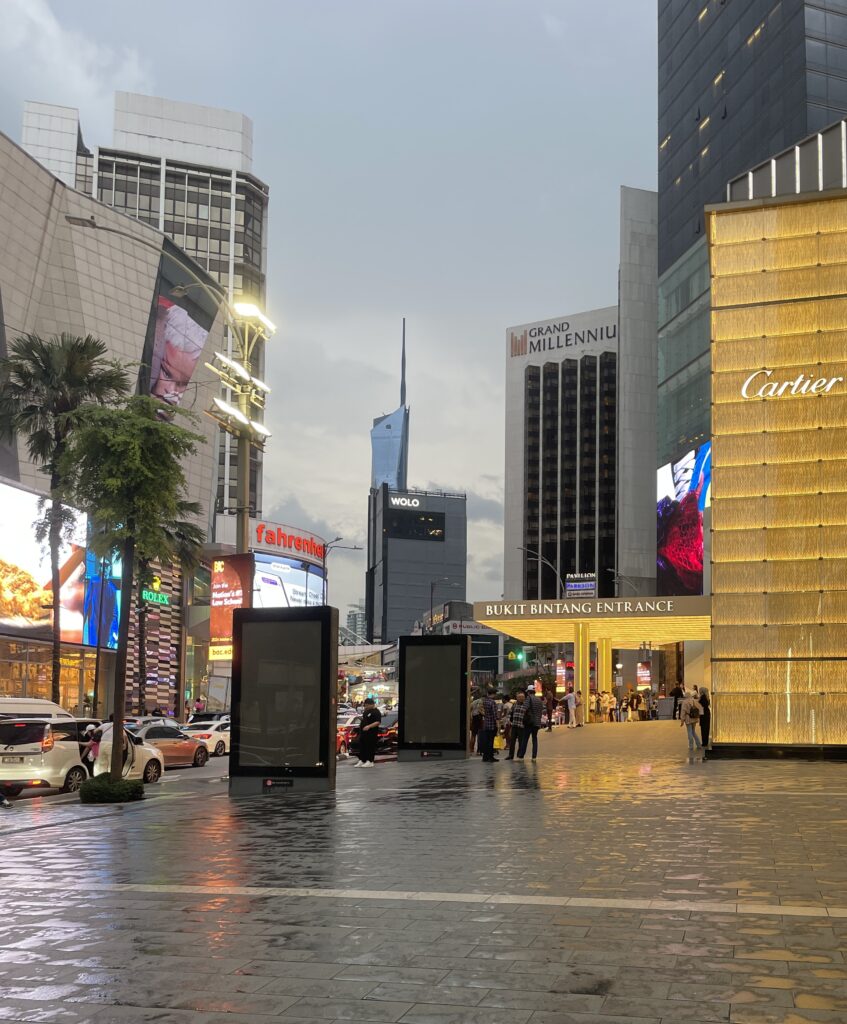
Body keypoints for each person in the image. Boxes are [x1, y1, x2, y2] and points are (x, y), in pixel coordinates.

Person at [355, 697, 381, 767]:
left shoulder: (376, 712)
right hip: (363, 733)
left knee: (370, 746)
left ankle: (370, 761)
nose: (365, 706)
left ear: (371, 704)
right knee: (363, 746)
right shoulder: (366, 711)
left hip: (371, 733)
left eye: (366, 705)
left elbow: (378, 722)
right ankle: (362, 760)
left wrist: (369, 726)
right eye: (365, 705)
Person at [518, 687, 544, 760]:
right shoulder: (539, 700)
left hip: (529, 722)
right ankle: (534, 756)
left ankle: (521, 755)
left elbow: (524, 708)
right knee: (534, 739)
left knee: (525, 739)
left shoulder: (529, 698)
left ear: (529, 692)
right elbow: (541, 711)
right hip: (537, 722)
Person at [680, 688, 704, 754]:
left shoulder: (685, 702)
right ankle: (698, 744)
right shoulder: (694, 701)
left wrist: (682, 720)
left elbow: (683, 712)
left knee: (689, 732)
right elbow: (699, 708)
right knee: (693, 731)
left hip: (688, 718)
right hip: (694, 718)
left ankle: (691, 746)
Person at [505, 691, 526, 760]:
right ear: (517, 698)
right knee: (512, 741)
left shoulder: (526, 705)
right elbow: (510, 713)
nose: (521, 698)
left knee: (521, 741)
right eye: (519, 697)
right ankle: (511, 755)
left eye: (522, 697)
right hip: (514, 725)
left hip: (522, 726)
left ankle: (519, 755)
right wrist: (509, 721)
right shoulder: (515, 704)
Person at [479, 688, 499, 763]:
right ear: (493, 694)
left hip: (486, 723)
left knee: (486, 741)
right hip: (492, 724)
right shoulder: (492, 702)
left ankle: (485, 757)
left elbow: (482, 710)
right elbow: (495, 714)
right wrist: (498, 724)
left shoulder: (485, 701)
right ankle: (491, 757)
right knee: (491, 741)